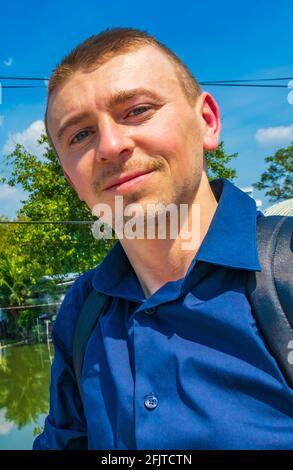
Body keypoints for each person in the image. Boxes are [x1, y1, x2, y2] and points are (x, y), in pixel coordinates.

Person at [33, 27, 293, 450]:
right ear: (70, 177)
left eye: (137, 110)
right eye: (80, 135)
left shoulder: (284, 272)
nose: (111, 146)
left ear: (206, 121)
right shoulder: (81, 311)